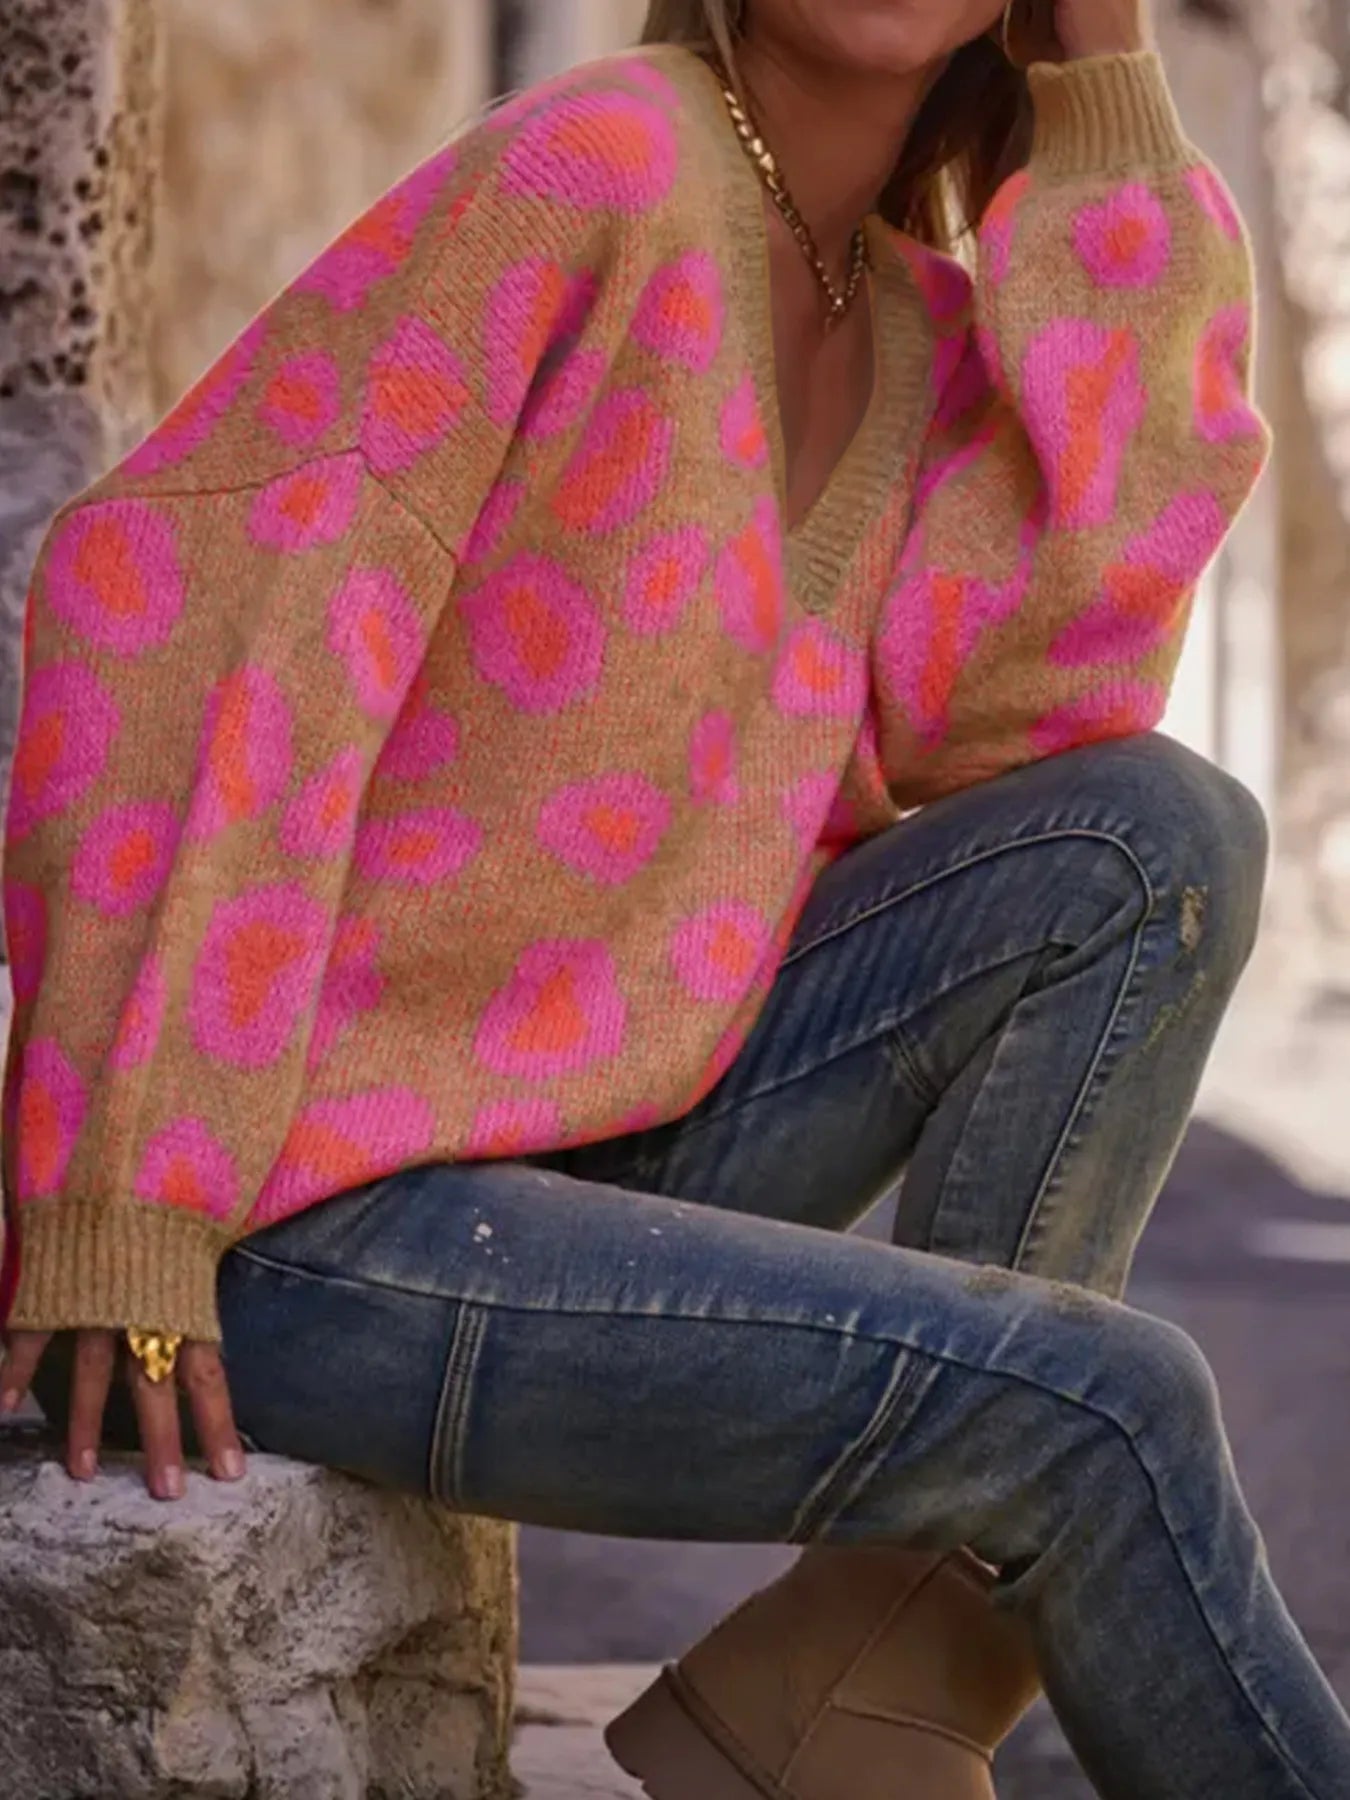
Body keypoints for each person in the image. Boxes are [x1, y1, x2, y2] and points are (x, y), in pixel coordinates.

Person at [2, 0, 1347, 1793]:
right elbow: (197, 597)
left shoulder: (916, 325)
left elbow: (1038, 704)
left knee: (1154, 836)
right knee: (1108, 1409)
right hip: (315, 1215)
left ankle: (865, 1663)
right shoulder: (601, 169)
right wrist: (132, 1200)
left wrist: (1099, 93)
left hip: (606, 1138)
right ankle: (875, 1683)